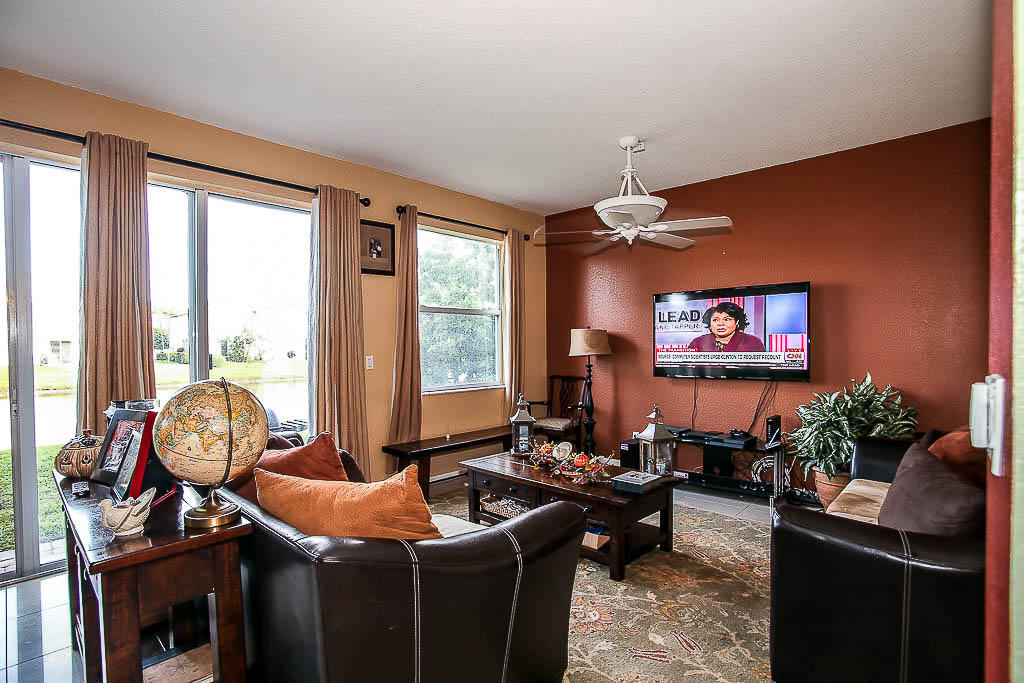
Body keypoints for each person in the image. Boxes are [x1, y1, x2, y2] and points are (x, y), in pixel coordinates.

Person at [687, 302, 766, 352]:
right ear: (709, 323)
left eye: (727, 319)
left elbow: (762, 370)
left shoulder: (753, 342)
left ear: (737, 321)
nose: (720, 324)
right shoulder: (697, 342)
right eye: (715, 320)